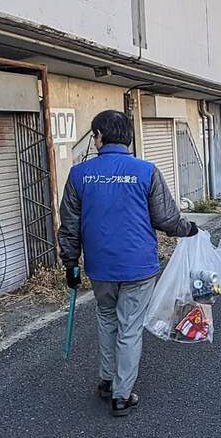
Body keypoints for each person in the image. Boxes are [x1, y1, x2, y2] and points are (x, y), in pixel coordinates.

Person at [58, 110, 198, 417]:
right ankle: (122, 395)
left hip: (100, 267)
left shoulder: (80, 175)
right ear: (127, 138)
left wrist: (70, 263)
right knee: (130, 326)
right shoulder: (146, 170)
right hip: (138, 266)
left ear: (99, 137)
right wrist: (189, 229)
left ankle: (107, 381)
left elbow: (69, 225)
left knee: (106, 318)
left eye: (94, 135)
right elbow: (166, 219)